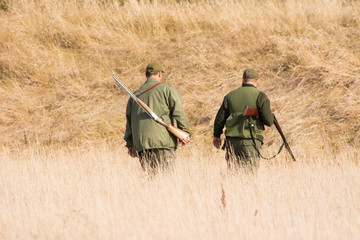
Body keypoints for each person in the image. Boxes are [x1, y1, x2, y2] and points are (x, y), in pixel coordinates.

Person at [124, 61, 190, 174]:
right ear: (160, 74)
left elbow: (129, 122)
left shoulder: (134, 96)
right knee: (167, 181)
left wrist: (130, 143)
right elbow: (178, 112)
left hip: (142, 145)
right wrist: (184, 132)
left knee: (151, 182)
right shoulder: (166, 89)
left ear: (146, 75)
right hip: (163, 143)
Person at [213, 69, 274, 172]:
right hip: (250, 140)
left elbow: (220, 118)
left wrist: (216, 135)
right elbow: (269, 121)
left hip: (232, 142)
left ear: (242, 80)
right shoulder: (260, 96)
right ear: (257, 81)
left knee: (233, 175)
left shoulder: (230, 95)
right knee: (248, 177)